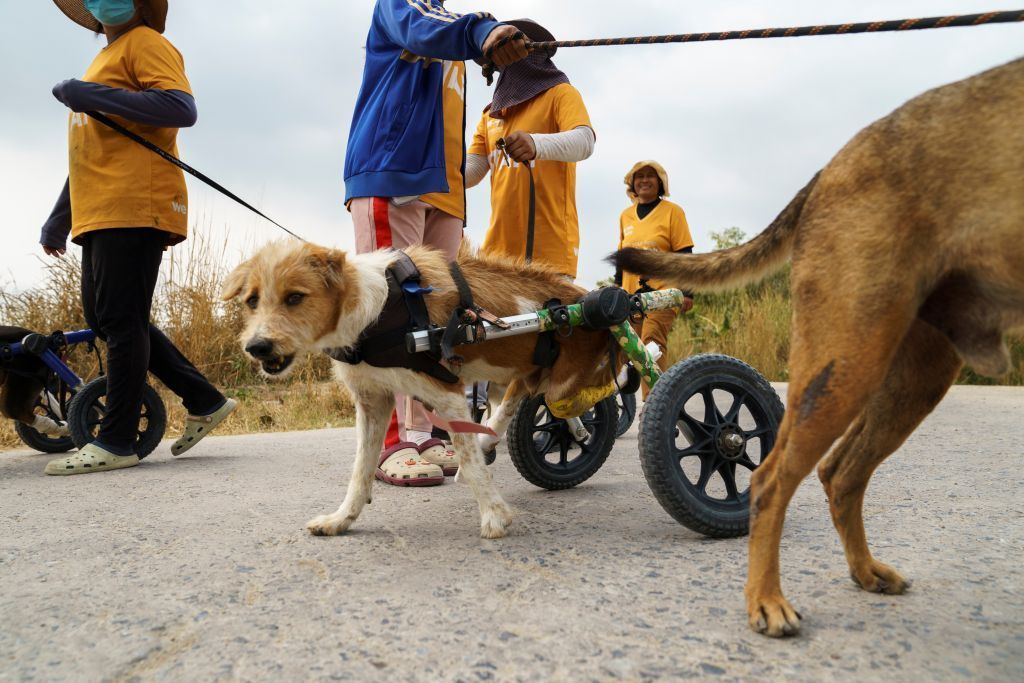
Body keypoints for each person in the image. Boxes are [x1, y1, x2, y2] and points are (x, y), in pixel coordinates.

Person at [40, 0, 236, 475]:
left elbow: (179, 107)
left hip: (134, 203)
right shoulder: (105, 60)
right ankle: (205, 400)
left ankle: (117, 441)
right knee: (110, 320)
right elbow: (94, 150)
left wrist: (91, 94)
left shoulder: (147, 42)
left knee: (121, 321)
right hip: (100, 209)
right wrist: (59, 218)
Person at [343, 0, 528, 486]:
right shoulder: (400, 5)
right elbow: (424, 30)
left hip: (444, 184)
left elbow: (450, 35)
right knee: (386, 311)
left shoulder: (450, 20)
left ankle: (428, 433)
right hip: (391, 171)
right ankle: (392, 443)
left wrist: (483, 38)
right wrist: (481, 32)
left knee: (442, 316)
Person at [466, 18, 596, 280]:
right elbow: (472, 171)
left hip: (550, 253)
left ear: (536, 51)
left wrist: (536, 144)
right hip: (496, 258)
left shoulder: (560, 93)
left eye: (516, 49)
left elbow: (585, 141)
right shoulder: (490, 115)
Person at [615, 161, 694, 397]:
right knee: (631, 347)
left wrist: (687, 292)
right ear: (633, 184)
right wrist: (617, 291)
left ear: (660, 182)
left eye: (651, 176)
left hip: (663, 293)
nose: (645, 180)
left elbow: (684, 254)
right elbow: (621, 258)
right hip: (631, 296)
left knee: (652, 344)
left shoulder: (673, 212)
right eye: (639, 177)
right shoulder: (625, 216)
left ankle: (655, 406)